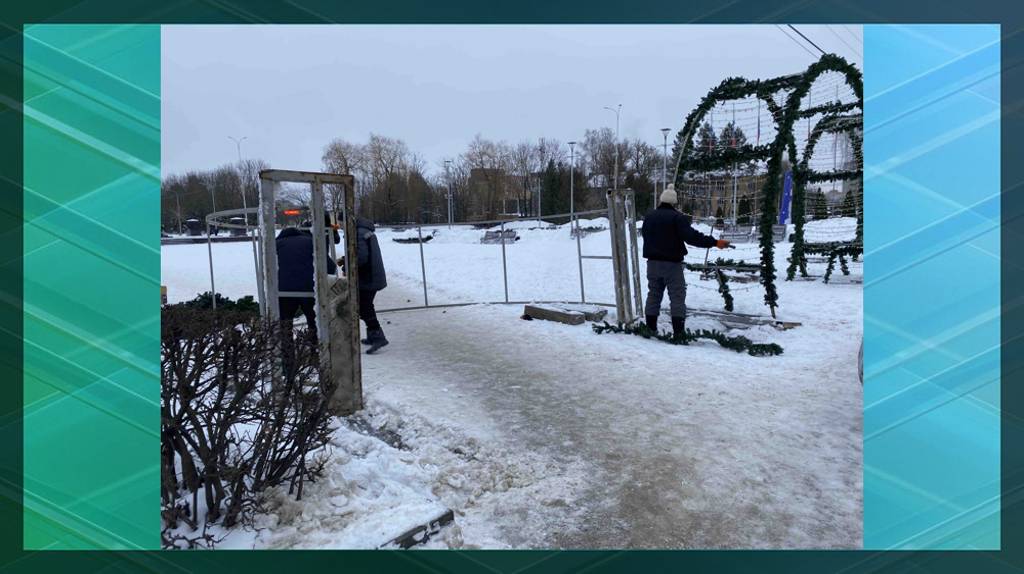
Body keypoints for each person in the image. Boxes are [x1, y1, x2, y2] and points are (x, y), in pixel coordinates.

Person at [641, 184, 730, 339]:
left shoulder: (649, 217)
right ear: (674, 202)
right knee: (677, 297)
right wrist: (715, 242)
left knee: (653, 295)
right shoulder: (677, 217)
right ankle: (678, 333)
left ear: (661, 200)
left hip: (652, 264)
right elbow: (692, 237)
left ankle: (650, 329)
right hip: (671, 265)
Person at [276, 214, 339, 344]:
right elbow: (330, 266)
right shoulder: (311, 242)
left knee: (285, 325)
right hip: (310, 289)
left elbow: (267, 271)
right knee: (314, 322)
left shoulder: (275, 244)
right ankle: (316, 353)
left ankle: (288, 358)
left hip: (284, 291)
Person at [354, 217, 389, 354]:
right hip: (373, 274)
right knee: (365, 305)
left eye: (340, 222)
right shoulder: (365, 231)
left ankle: (378, 337)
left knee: (364, 306)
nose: (339, 225)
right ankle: (372, 335)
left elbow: (361, 257)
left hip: (368, 277)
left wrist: (349, 266)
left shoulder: (359, 233)